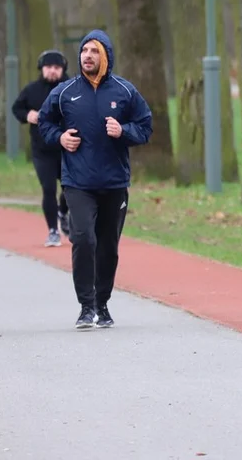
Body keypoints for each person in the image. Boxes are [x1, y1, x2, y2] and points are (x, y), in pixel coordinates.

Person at [38, 29, 153, 330]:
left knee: (108, 247)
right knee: (84, 238)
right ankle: (86, 306)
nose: (87, 56)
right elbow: (44, 123)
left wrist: (124, 132)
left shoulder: (125, 91)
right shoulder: (65, 92)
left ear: (106, 57)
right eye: (84, 51)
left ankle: (103, 303)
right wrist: (60, 137)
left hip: (114, 182)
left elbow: (145, 126)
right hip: (77, 181)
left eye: (94, 51)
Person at [12, 49, 71, 247]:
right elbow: (17, 108)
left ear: (63, 69)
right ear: (41, 69)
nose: (53, 71)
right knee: (48, 189)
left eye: (57, 68)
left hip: (69, 149)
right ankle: (53, 231)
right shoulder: (32, 90)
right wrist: (27, 115)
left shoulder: (72, 88)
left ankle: (63, 212)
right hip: (42, 150)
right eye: (49, 67)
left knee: (71, 189)